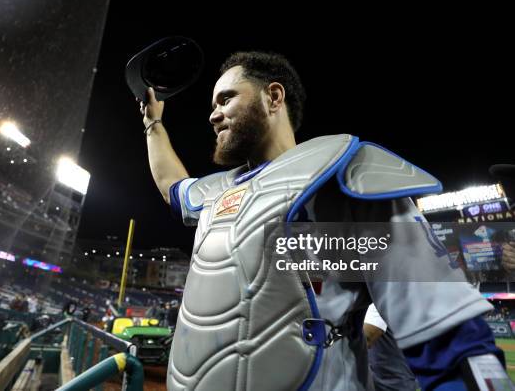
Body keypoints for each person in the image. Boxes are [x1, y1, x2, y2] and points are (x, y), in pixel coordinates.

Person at [139, 51, 503, 390]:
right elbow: (173, 185)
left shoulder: (341, 178)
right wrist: (153, 122)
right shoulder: (218, 192)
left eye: (226, 99)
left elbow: (442, 327)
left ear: (274, 97)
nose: (213, 115)